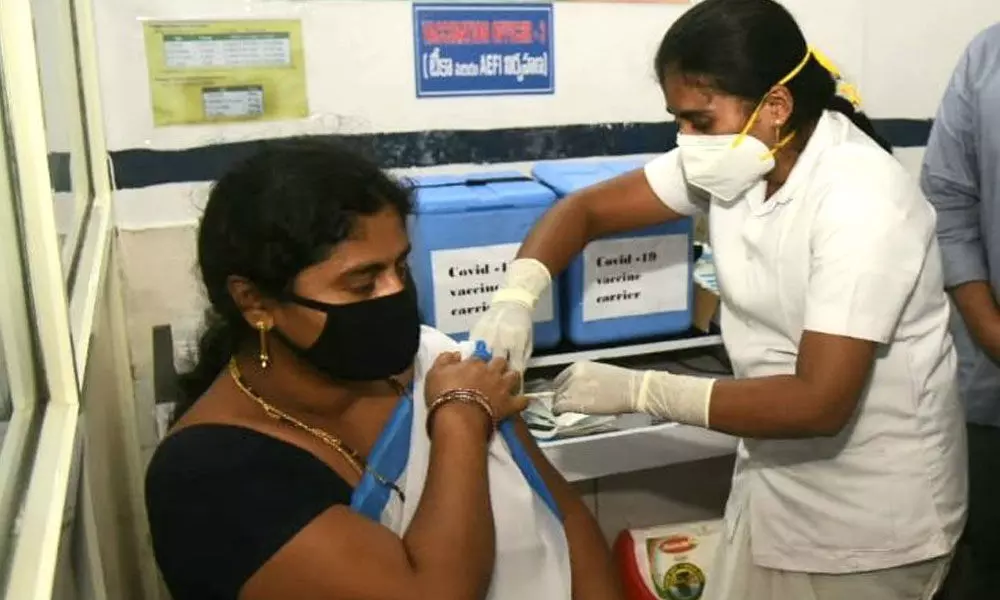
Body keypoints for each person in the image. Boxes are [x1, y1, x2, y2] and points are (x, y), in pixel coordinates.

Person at [470, 0, 967, 598]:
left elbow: (819, 403)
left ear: (776, 107)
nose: (687, 140)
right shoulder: (737, 163)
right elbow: (586, 209)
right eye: (677, 120)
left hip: (871, 516)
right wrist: (516, 296)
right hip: (774, 484)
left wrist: (641, 391)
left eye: (700, 121)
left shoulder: (861, 200)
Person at [144, 138, 621, 600]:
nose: (394, 294)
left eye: (400, 267)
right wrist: (459, 421)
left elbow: (566, 522)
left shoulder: (433, 361)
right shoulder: (209, 479)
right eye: (362, 283)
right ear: (255, 301)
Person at [920, 23, 1000, 600]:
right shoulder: (987, 56)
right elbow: (948, 201)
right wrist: (989, 328)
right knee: (982, 560)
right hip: (991, 382)